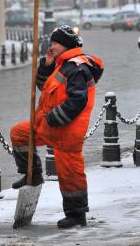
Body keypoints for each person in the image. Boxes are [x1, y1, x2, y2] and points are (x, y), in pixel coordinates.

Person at [10, 25, 104, 229]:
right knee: (19, 134)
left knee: (70, 175)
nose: (51, 47)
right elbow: (45, 88)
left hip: (66, 132)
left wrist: (53, 118)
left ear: (66, 45)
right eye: (51, 42)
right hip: (49, 125)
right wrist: (46, 65)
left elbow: (78, 100)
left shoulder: (77, 67)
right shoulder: (62, 64)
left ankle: (77, 215)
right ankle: (32, 175)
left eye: (55, 43)